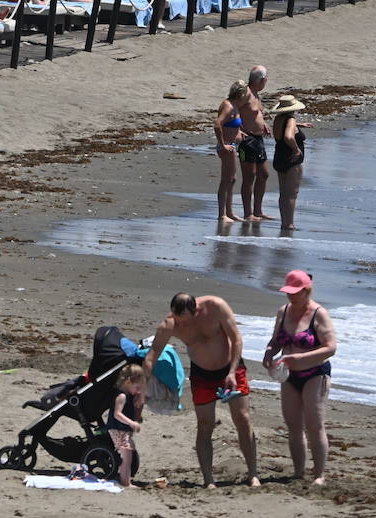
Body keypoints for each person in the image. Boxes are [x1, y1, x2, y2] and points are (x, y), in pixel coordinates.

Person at [144, 293, 259, 489]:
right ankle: (209, 480)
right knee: (205, 424)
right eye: (178, 320)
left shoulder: (216, 307)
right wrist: (143, 380)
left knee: (242, 418)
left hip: (230, 367)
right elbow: (152, 354)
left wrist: (231, 373)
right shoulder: (170, 324)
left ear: (196, 311)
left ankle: (253, 474)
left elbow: (236, 339)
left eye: (186, 320)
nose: (182, 325)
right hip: (202, 374)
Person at [261, 270, 336, 485]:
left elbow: (331, 348)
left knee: (315, 424)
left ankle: (319, 474)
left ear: (306, 291)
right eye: (288, 293)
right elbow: (276, 340)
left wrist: (300, 356)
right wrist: (268, 353)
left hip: (315, 373)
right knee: (293, 425)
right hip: (289, 375)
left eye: (295, 293)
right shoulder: (283, 311)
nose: (291, 297)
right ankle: (298, 472)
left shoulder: (319, 314)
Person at [234, 65, 272, 222]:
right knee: (250, 176)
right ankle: (248, 213)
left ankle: (258, 210)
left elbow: (255, 113)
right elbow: (232, 109)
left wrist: (263, 124)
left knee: (264, 174)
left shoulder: (257, 94)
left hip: (258, 139)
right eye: (266, 80)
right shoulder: (245, 93)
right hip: (247, 140)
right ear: (262, 80)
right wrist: (236, 130)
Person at [269, 94, 308, 231]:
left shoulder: (279, 119)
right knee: (292, 193)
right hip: (291, 159)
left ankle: (284, 222)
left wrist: (299, 125)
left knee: (283, 193)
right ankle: (289, 224)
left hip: (279, 156)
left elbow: (284, 132)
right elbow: (288, 136)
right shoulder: (290, 120)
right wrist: (296, 149)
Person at [106, 364, 146, 487]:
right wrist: (131, 422)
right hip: (118, 429)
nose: (138, 391)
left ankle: (125, 479)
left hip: (124, 430)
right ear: (129, 382)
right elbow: (117, 414)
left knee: (129, 454)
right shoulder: (122, 396)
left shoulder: (129, 395)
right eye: (137, 387)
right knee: (127, 456)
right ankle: (125, 482)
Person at [214, 82, 247, 224]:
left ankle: (229, 212)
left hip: (232, 144)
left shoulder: (235, 105)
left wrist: (239, 132)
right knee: (226, 179)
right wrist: (223, 144)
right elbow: (217, 125)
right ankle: (222, 214)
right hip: (227, 146)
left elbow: (232, 124)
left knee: (232, 179)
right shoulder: (228, 106)